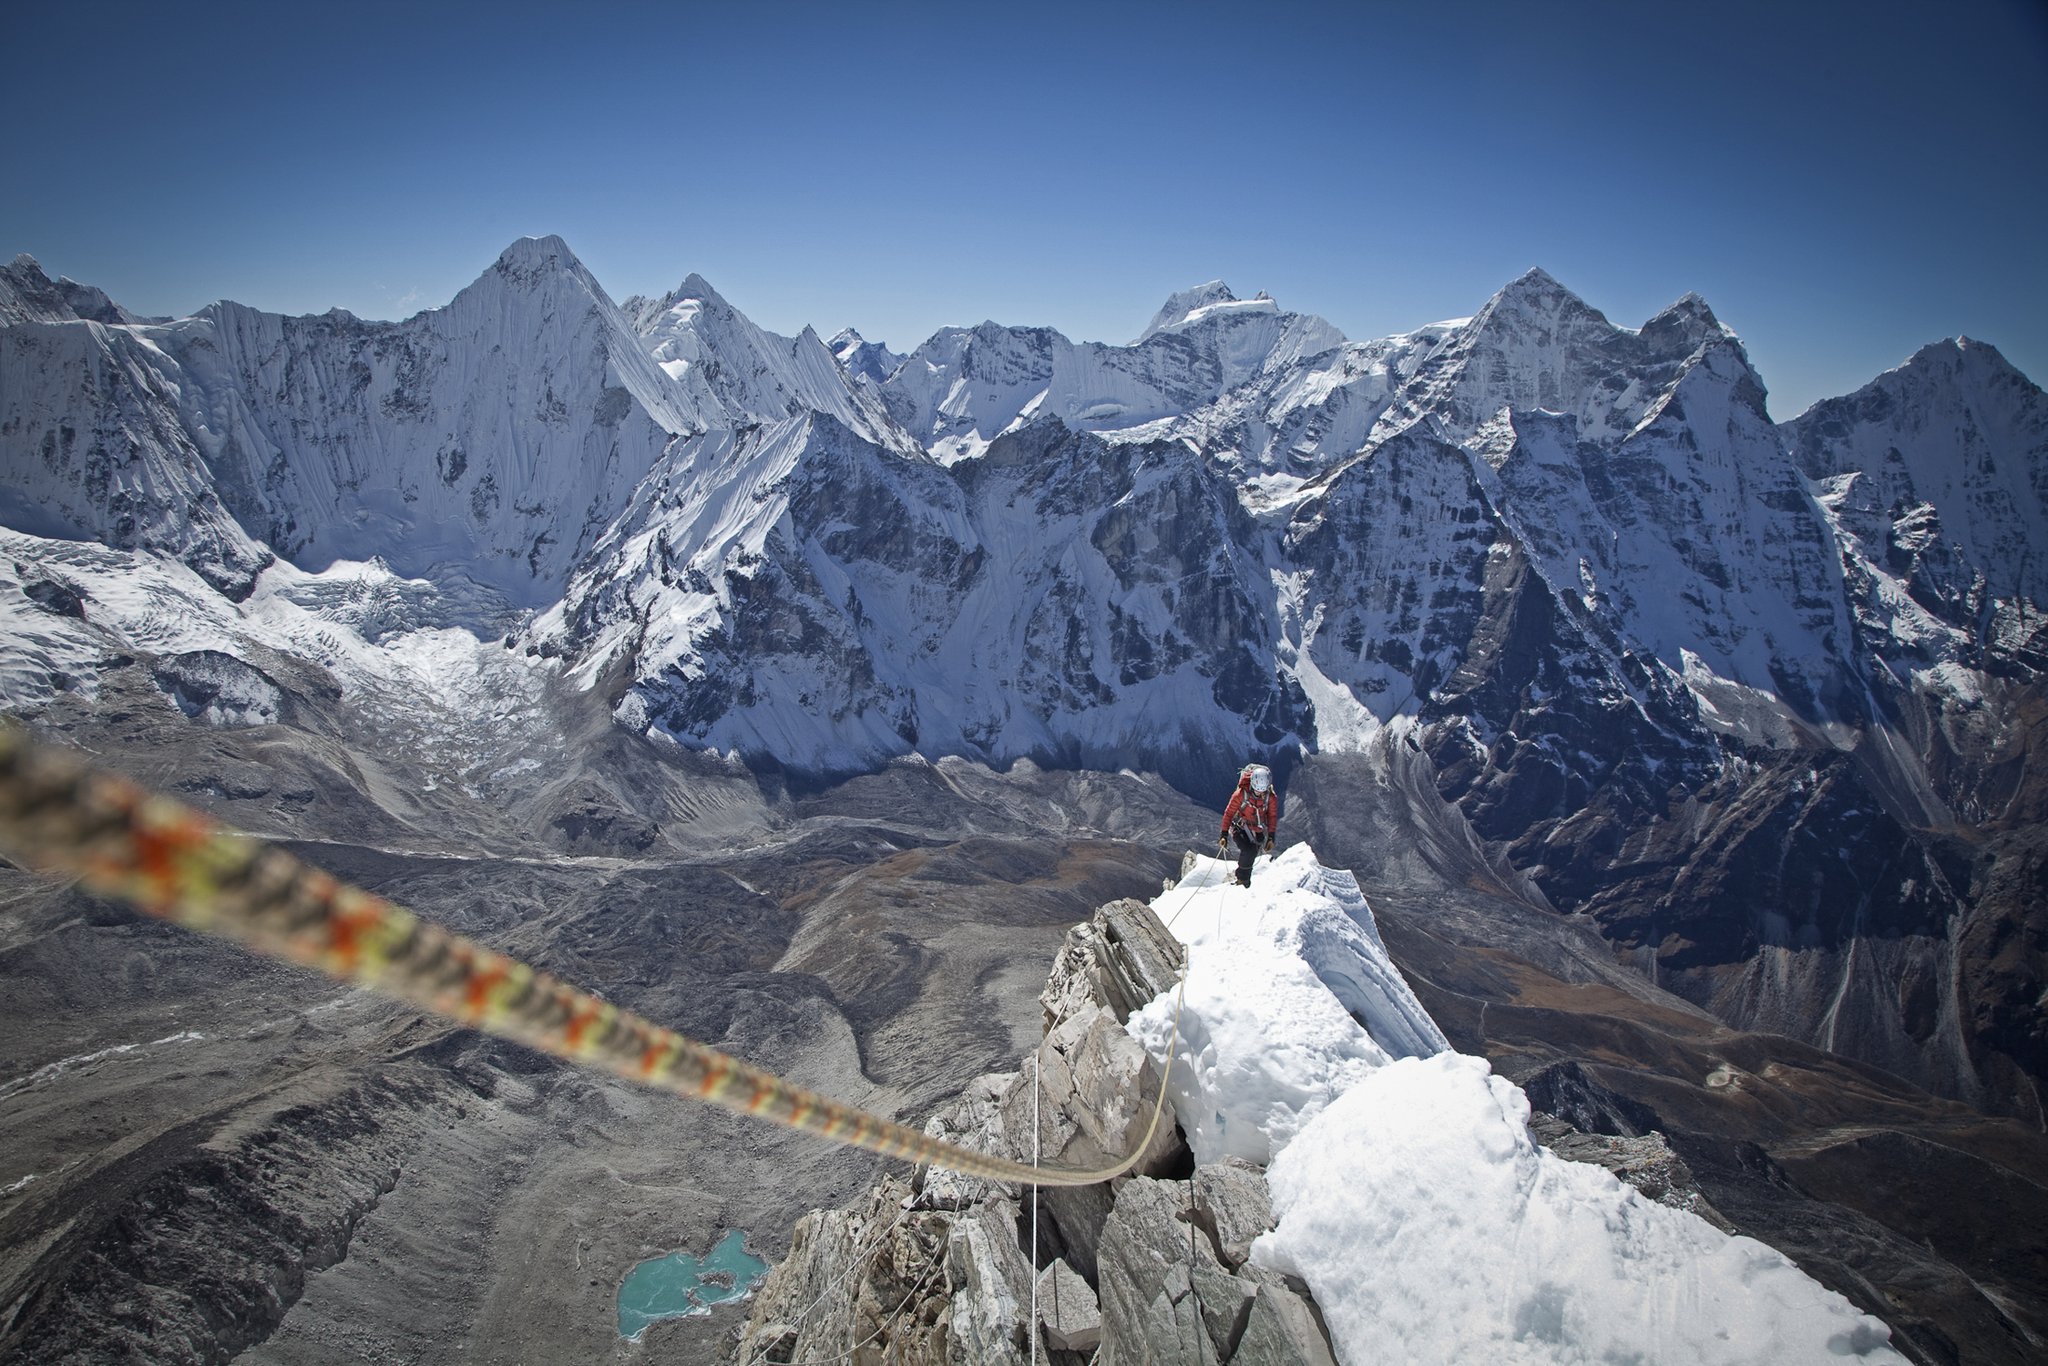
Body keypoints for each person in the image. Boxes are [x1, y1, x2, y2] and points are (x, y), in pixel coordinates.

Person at [1216, 762, 1278, 888]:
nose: (1260, 793)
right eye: (1257, 790)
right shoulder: (1240, 795)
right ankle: (1242, 880)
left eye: (1262, 791)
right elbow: (1229, 814)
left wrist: (1271, 836)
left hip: (1256, 830)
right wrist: (1224, 834)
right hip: (1239, 827)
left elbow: (1272, 816)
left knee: (1252, 852)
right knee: (1248, 850)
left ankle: (1243, 879)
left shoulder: (1270, 798)